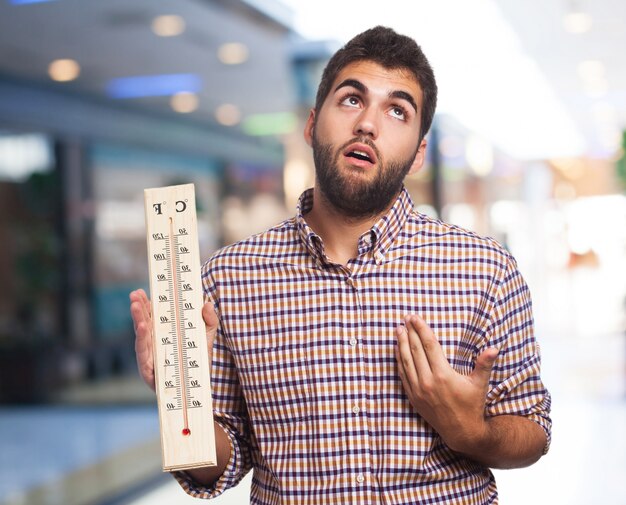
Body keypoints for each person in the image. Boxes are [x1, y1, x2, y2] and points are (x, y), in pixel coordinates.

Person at [130, 26, 551, 504]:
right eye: (351, 99)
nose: (368, 123)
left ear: (418, 154)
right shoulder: (228, 278)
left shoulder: (486, 268)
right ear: (311, 125)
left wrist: (470, 431)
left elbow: (532, 430)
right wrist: (179, 402)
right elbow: (217, 465)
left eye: (397, 110)